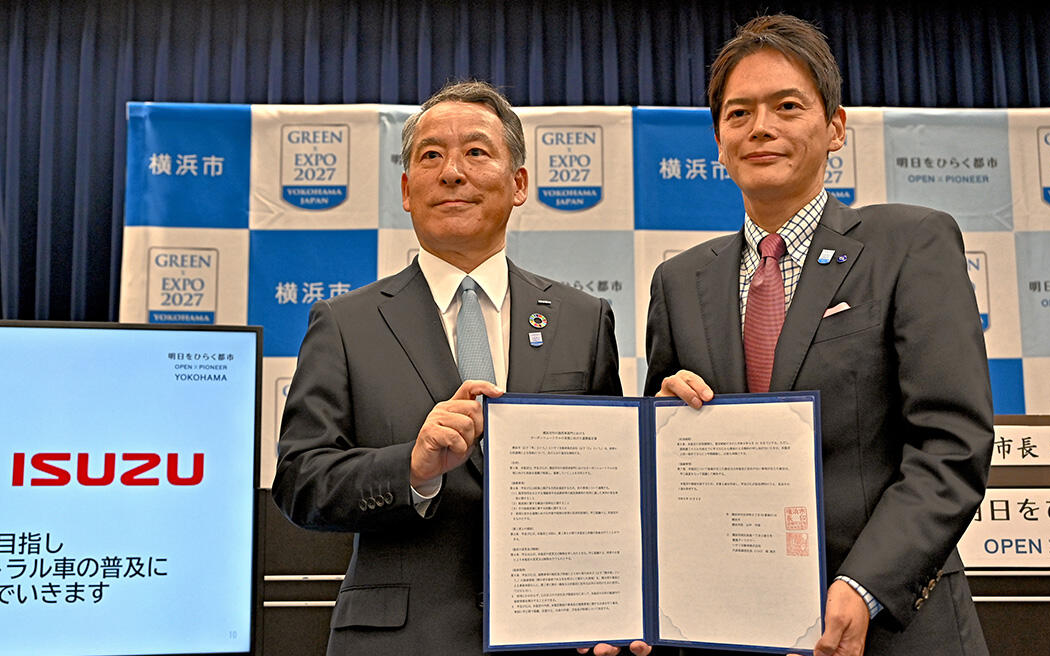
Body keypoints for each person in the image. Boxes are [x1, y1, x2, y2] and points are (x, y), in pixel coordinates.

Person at [644, 15, 993, 656]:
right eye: (739, 113)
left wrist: (864, 585)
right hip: (733, 628)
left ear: (834, 127)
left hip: (896, 627)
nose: (762, 128)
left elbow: (951, 444)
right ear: (718, 139)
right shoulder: (678, 281)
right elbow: (657, 468)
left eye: (787, 106)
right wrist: (665, 428)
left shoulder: (910, 244)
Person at [272, 81, 648, 656]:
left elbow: (611, 490)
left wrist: (618, 608)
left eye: (476, 152)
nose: (452, 172)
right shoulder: (346, 323)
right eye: (430, 155)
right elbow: (300, 482)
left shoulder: (583, 319)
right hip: (398, 642)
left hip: (553, 641)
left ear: (519, 183)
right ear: (405, 189)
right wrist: (413, 469)